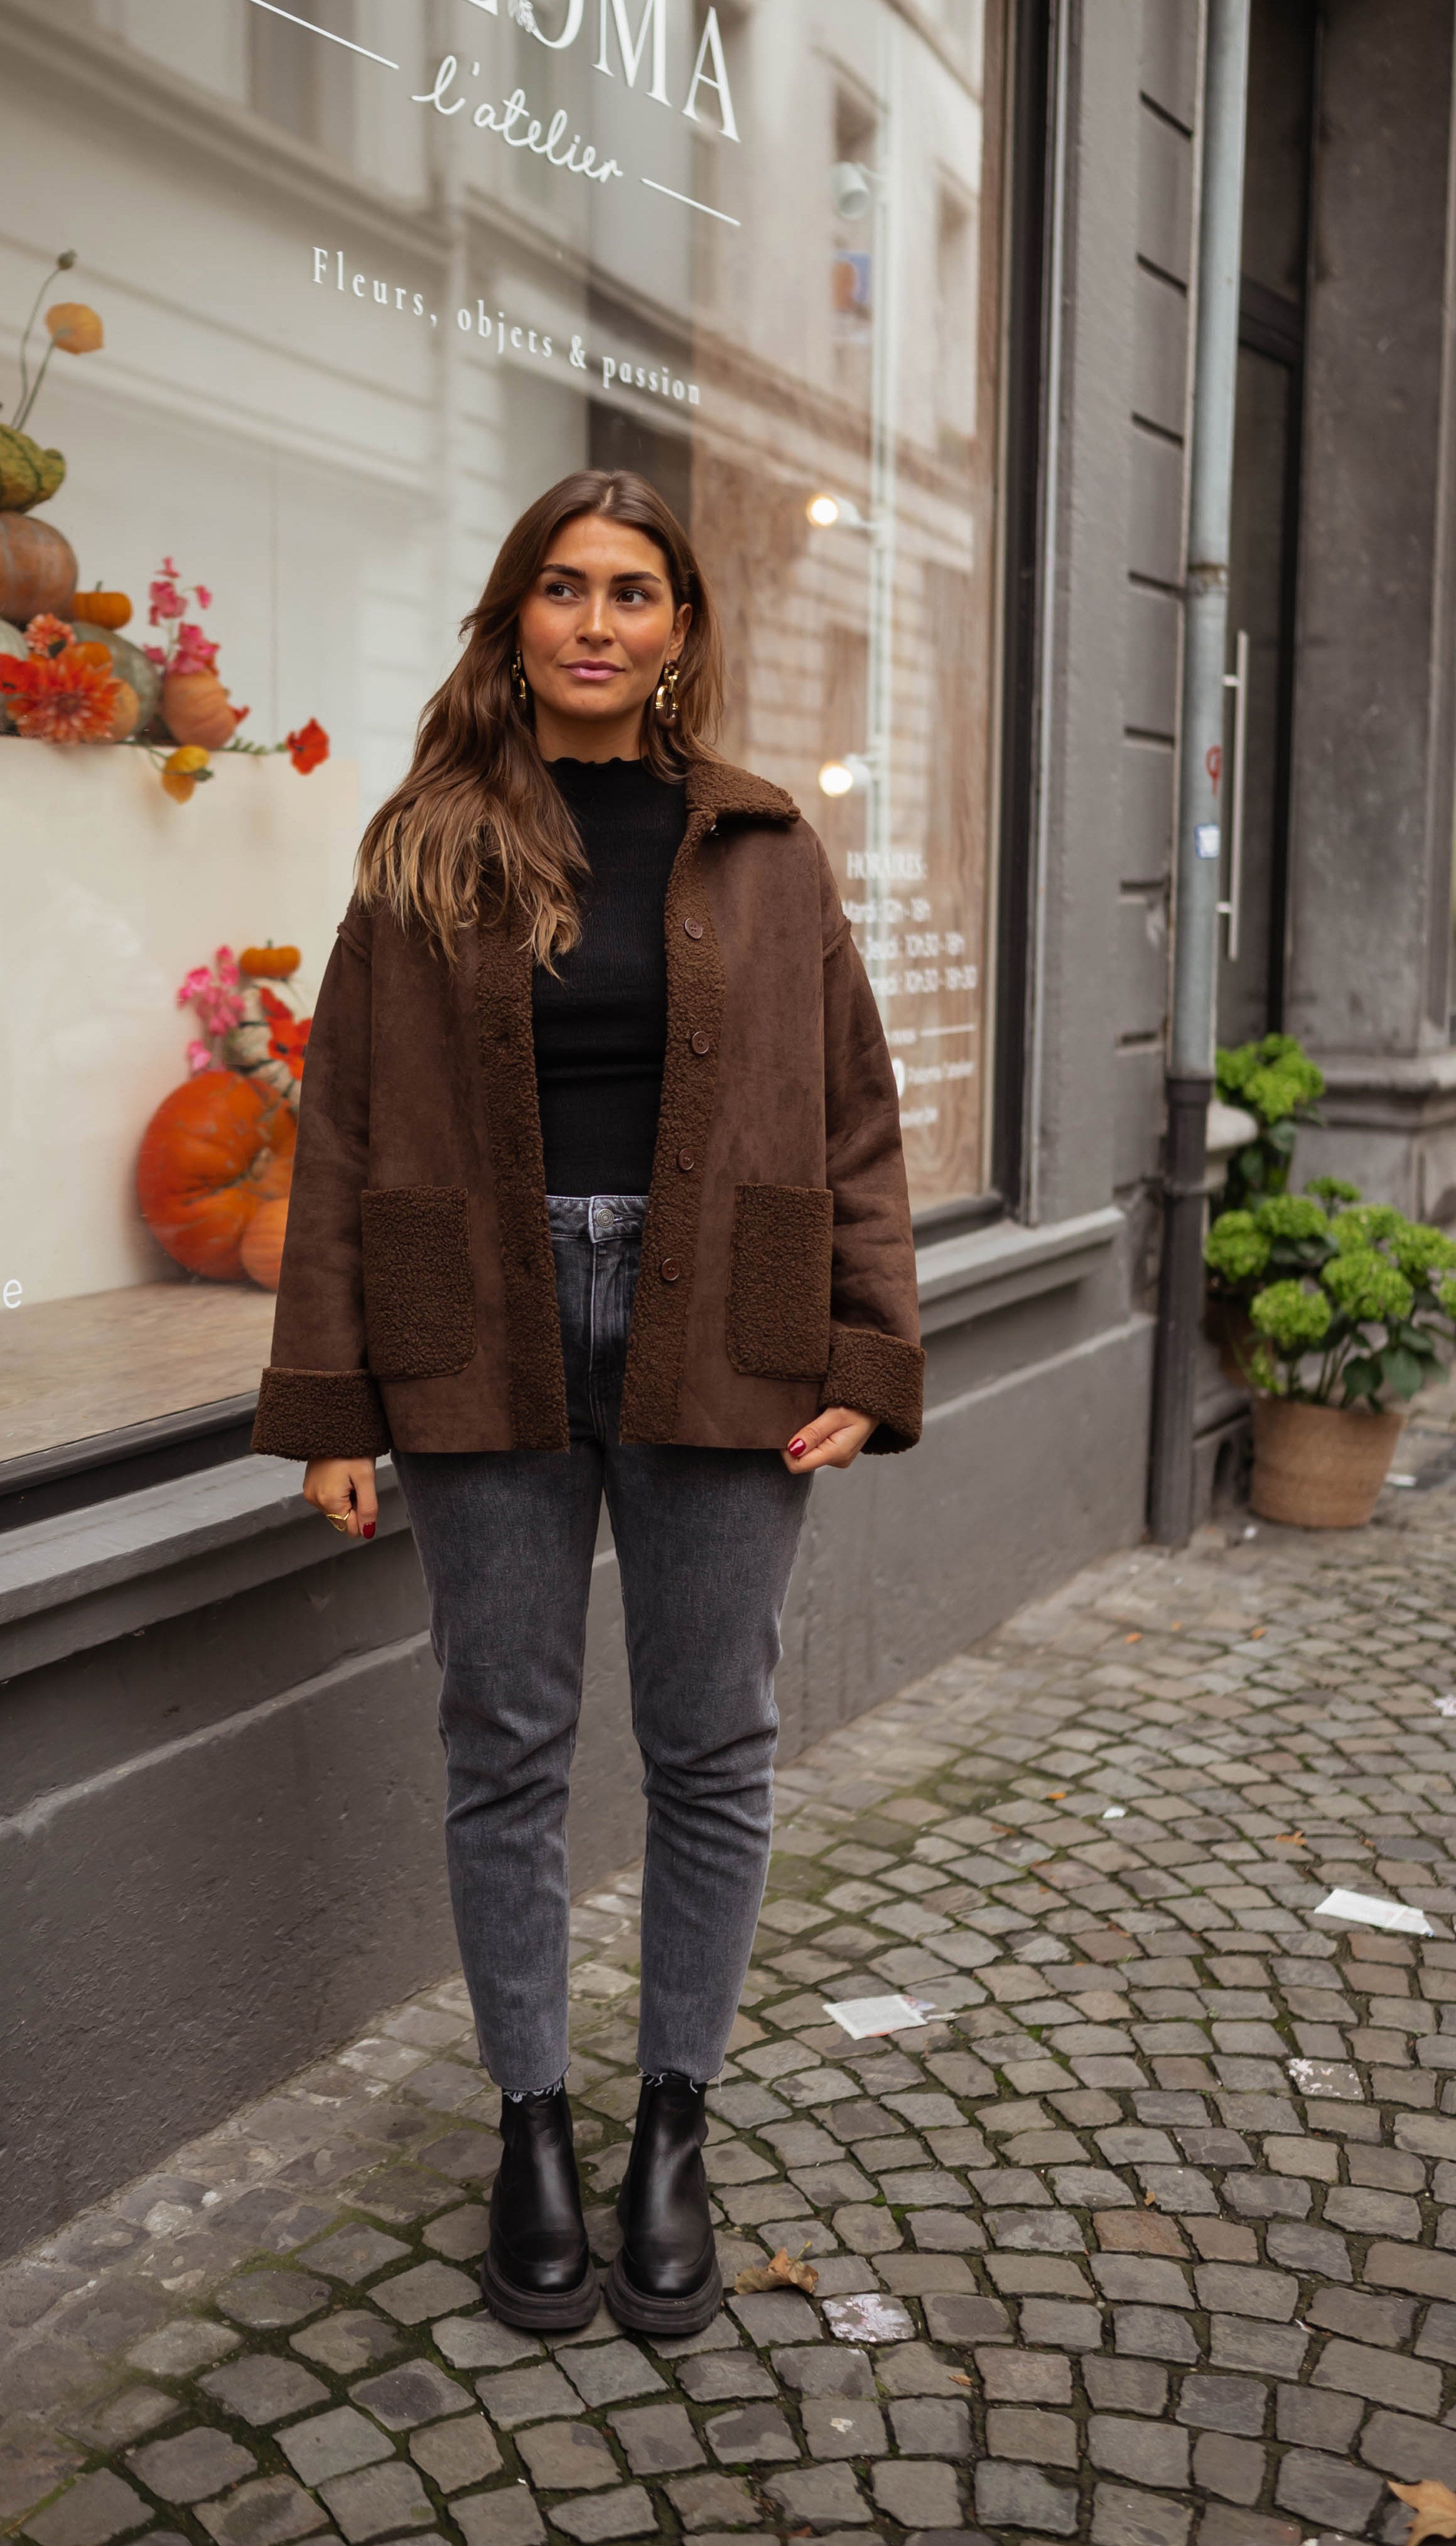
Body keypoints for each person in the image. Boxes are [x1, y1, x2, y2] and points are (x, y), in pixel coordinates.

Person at [252, 468, 922, 2337]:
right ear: (514, 618)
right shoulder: (427, 843)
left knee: (712, 1746)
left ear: (681, 630)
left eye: (633, 591)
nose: (597, 621)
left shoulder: (768, 843)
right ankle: (533, 2124)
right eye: (561, 588)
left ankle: (672, 2129)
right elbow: (344, 1131)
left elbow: (853, 1114)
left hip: (729, 1327)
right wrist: (331, 1402)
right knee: (508, 1745)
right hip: (486, 1326)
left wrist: (865, 1355)